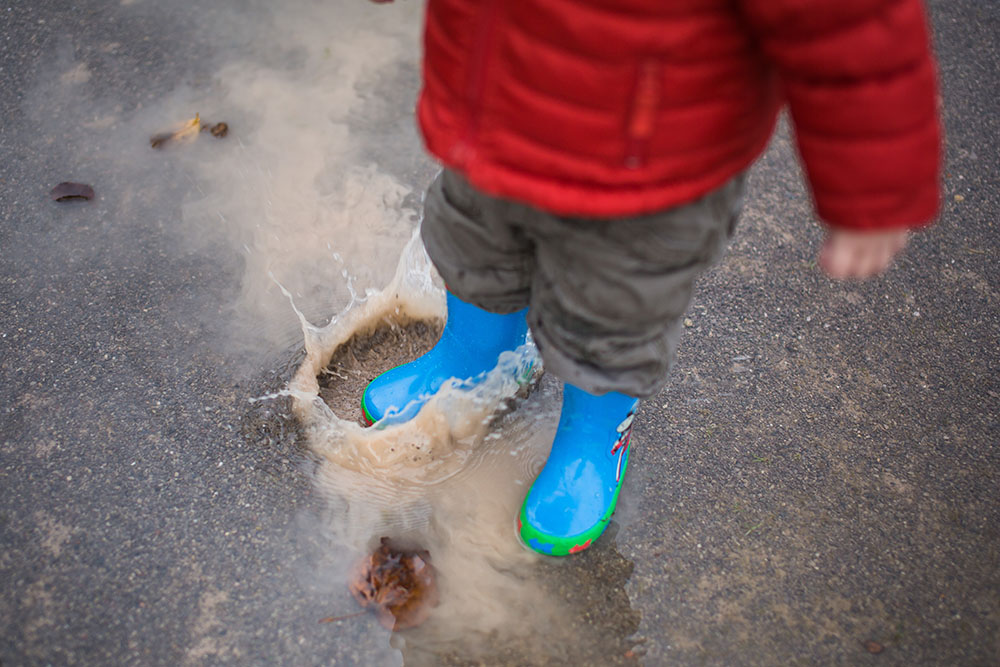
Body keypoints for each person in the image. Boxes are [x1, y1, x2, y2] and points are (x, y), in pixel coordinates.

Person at [362, 0, 941, 556]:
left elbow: (848, 22)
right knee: (472, 244)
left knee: (616, 313)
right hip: (489, 111)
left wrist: (874, 184)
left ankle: (593, 439)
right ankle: (478, 356)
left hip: (649, 164)